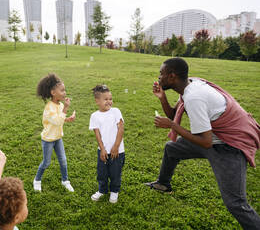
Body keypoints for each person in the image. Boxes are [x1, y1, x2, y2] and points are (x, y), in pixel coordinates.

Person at [146, 57, 260, 229]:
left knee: (235, 203)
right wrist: (162, 98)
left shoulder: (194, 98)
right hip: (213, 138)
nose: (159, 77)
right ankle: (163, 184)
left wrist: (172, 126)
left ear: (172, 76)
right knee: (172, 148)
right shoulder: (190, 84)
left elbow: (205, 142)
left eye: (161, 74)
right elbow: (173, 114)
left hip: (229, 146)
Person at [33, 73, 76, 192]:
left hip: (58, 138)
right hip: (48, 140)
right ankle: (37, 180)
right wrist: (66, 109)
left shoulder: (60, 104)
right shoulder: (49, 108)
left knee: (63, 160)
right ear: (53, 92)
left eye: (64, 90)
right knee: (46, 162)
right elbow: (56, 121)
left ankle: (65, 180)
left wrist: (67, 119)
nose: (64, 93)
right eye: (62, 90)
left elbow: (60, 120)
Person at [89, 85, 125, 203]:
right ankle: (102, 190)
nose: (109, 101)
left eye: (110, 98)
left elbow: (121, 129)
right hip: (103, 151)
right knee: (102, 173)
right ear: (97, 101)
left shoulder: (115, 111)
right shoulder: (94, 116)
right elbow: (97, 133)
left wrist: (115, 147)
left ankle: (114, 191)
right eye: (106, 99)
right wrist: (103, 149)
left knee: (115, 173)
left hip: (117, 151)